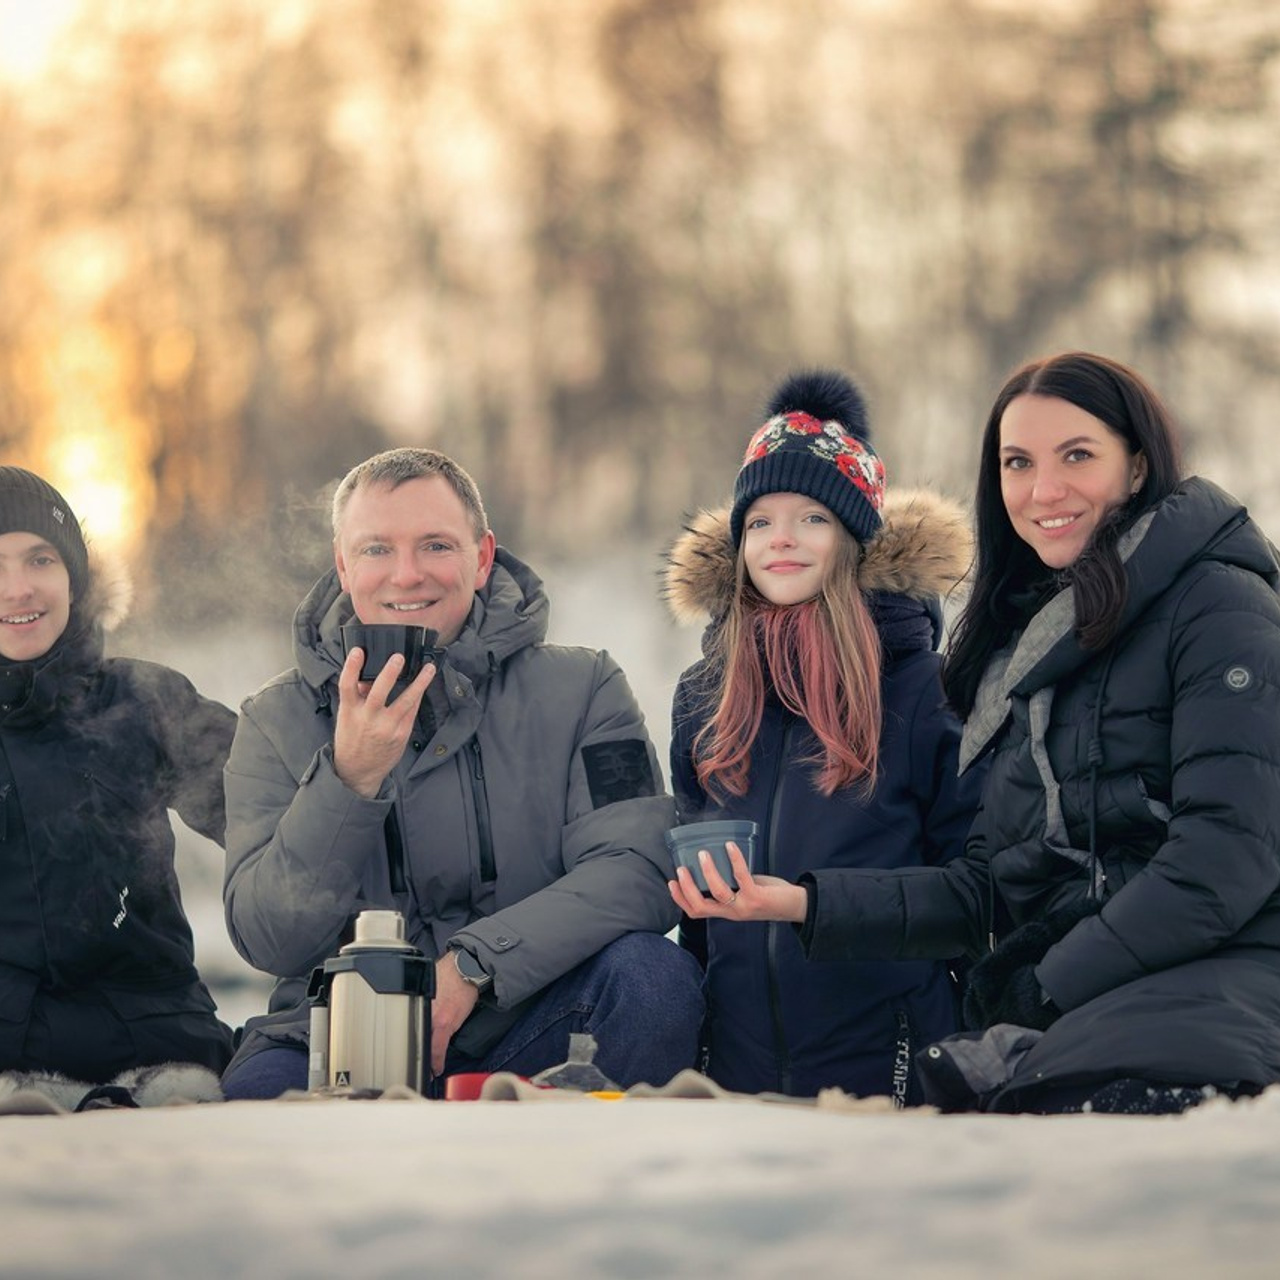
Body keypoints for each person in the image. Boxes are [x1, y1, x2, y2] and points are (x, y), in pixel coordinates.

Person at [672, 352, 1280, 1114]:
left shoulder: (1220, 608)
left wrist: (1045, 985)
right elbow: (986, 886)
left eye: (1077, 455)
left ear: (1137, 466)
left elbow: (1224, 862)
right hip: (1084, 984)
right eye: (1017, 462)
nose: (1043, 489)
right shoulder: (1024, 648)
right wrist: (803, 903)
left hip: (1218, 972)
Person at [220, 447, 702, 1098]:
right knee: (254, 1105)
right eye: (376, 550)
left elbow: (638, 868)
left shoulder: (583, 687)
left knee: (653, 978)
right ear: (342, 564)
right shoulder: (275, 719)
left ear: (481, 559)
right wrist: (350, 779)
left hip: (533, 1018)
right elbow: (268, 937)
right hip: (330, 1036)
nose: (407, 575)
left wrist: (477, 965)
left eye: (436, 545)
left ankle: (581, 1183)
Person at [663, 369, 986, 1102]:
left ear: (853, 540)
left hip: (897, 1070)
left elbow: (976, 897)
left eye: (812, 517)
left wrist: (807, 905)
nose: (781, 539)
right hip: (736, 1078)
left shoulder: (926, 689)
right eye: (759, 521)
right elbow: (701, 924)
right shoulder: (703, 696)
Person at [0, 466, 236, 1094]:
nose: (18, 589)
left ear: (74, 578)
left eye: (39, 559)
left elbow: (275, 820)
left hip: (158, 1042)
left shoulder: (144, 700)